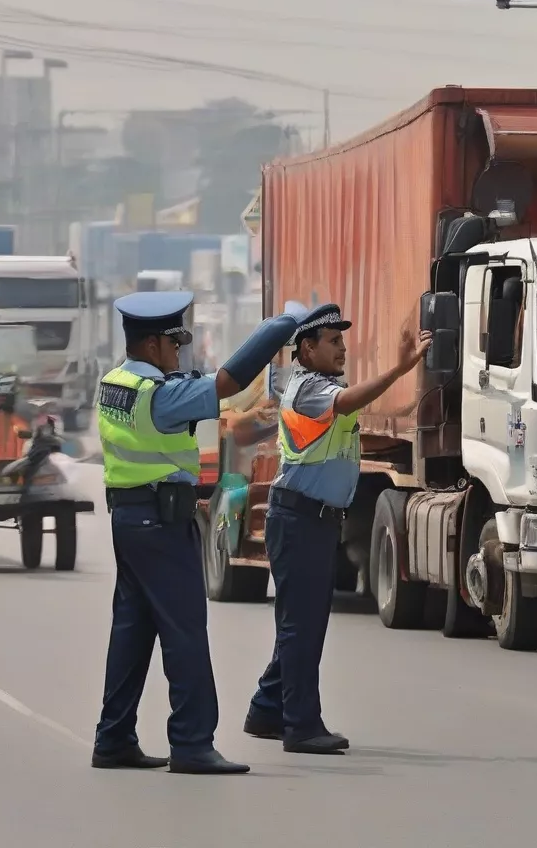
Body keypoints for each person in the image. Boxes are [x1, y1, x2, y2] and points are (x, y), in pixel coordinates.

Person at [91, 290, 302, 774]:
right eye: (174, 343)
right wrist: (280, 327)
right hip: (162, 525)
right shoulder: (161, 395)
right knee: (184, 629)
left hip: (130, 519)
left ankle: (113, 738)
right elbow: (228, 381)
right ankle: (191, 742)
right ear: (152, 345)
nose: (178, 352)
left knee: (132, 631)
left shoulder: (116, 382)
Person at [244, 303, 431, 755]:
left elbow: (354, 406)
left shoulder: (324, 387)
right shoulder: (308, 389)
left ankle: (267, 709)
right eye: (333, 341)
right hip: (299, 519)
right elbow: (347, 403)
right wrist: (398, 368)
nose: (343, 348)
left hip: (313, 520)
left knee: (300, 624)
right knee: (302, 628)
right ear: (307, 349)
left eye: (343, 340)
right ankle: (301, 726)